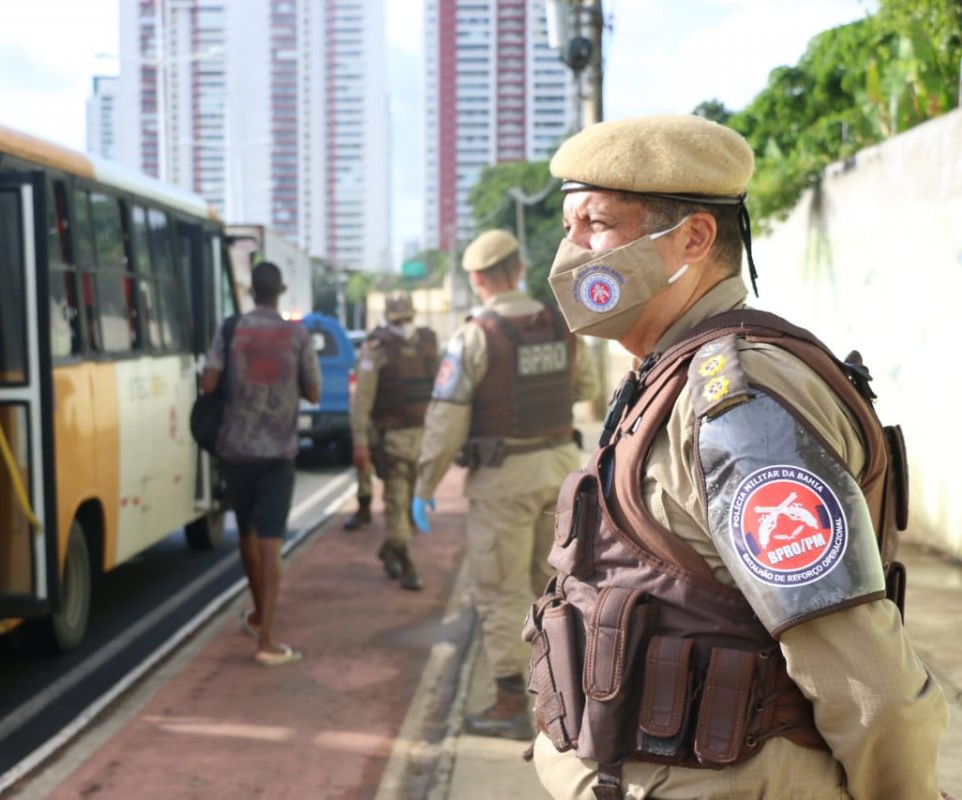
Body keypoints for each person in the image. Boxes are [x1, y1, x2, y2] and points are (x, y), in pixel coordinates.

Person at [524, 114, 947, 799]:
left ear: (692, 238)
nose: (570, 251)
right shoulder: (662, 375)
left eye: (596, 224)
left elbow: (868, 679)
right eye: (569, 226)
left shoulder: (738, 405)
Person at [411, 230, 598, 738]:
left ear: (477, 279)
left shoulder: (472, 337)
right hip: (560, 469)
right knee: (556, 587)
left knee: (499, 591)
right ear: (518, 270)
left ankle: (510, 706)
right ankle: (565, 698)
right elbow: (590, 391)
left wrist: (425, 484)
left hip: (502, 481)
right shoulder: (564, 326)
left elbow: (446, 421)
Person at [201, 261, 321, 667]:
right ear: (281, 291)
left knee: (247, 536)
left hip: (236, 449)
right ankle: (267, 639)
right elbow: (315, 392)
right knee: (272, 543)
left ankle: (257, 612)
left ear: (251, 291)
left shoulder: (231, 329)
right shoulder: (297, 334)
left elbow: (208, 383)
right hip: (278, 452)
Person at [349, 290, 439, 590]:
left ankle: (392, 549)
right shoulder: (379, 349)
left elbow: (442, 392)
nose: (405, 323)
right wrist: (360, 441)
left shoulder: (425, 345)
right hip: (395, 441)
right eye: (401, 319)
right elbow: (362, 400)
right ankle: (407, 564)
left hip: (423, 440)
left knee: (412, 505)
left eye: (407, 318)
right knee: (398, 503)